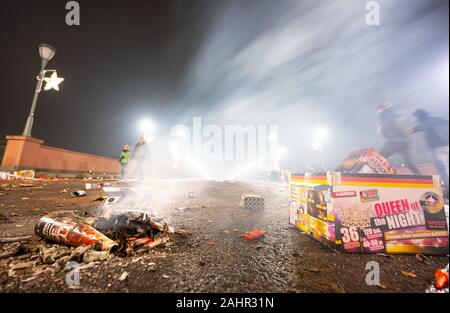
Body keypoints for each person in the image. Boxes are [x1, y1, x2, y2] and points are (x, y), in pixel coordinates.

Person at [411, 109, 449, 193]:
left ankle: (448, 188)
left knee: (442, 168)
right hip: (446, 145)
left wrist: (412, 129)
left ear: (420, 116)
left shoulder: (427, 120)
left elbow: (422, 126)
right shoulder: (438, 118)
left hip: (438, 146)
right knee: (445, 166)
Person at [376, 102, 420, 175]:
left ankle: (385, 174)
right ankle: (419, 176)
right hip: (404, 141)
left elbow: (385, 129)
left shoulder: (384, 113)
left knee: (380, 157)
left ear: (381, 109)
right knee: (409, 161)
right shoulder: (393, 113)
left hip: (394, 141)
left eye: (378, 110)